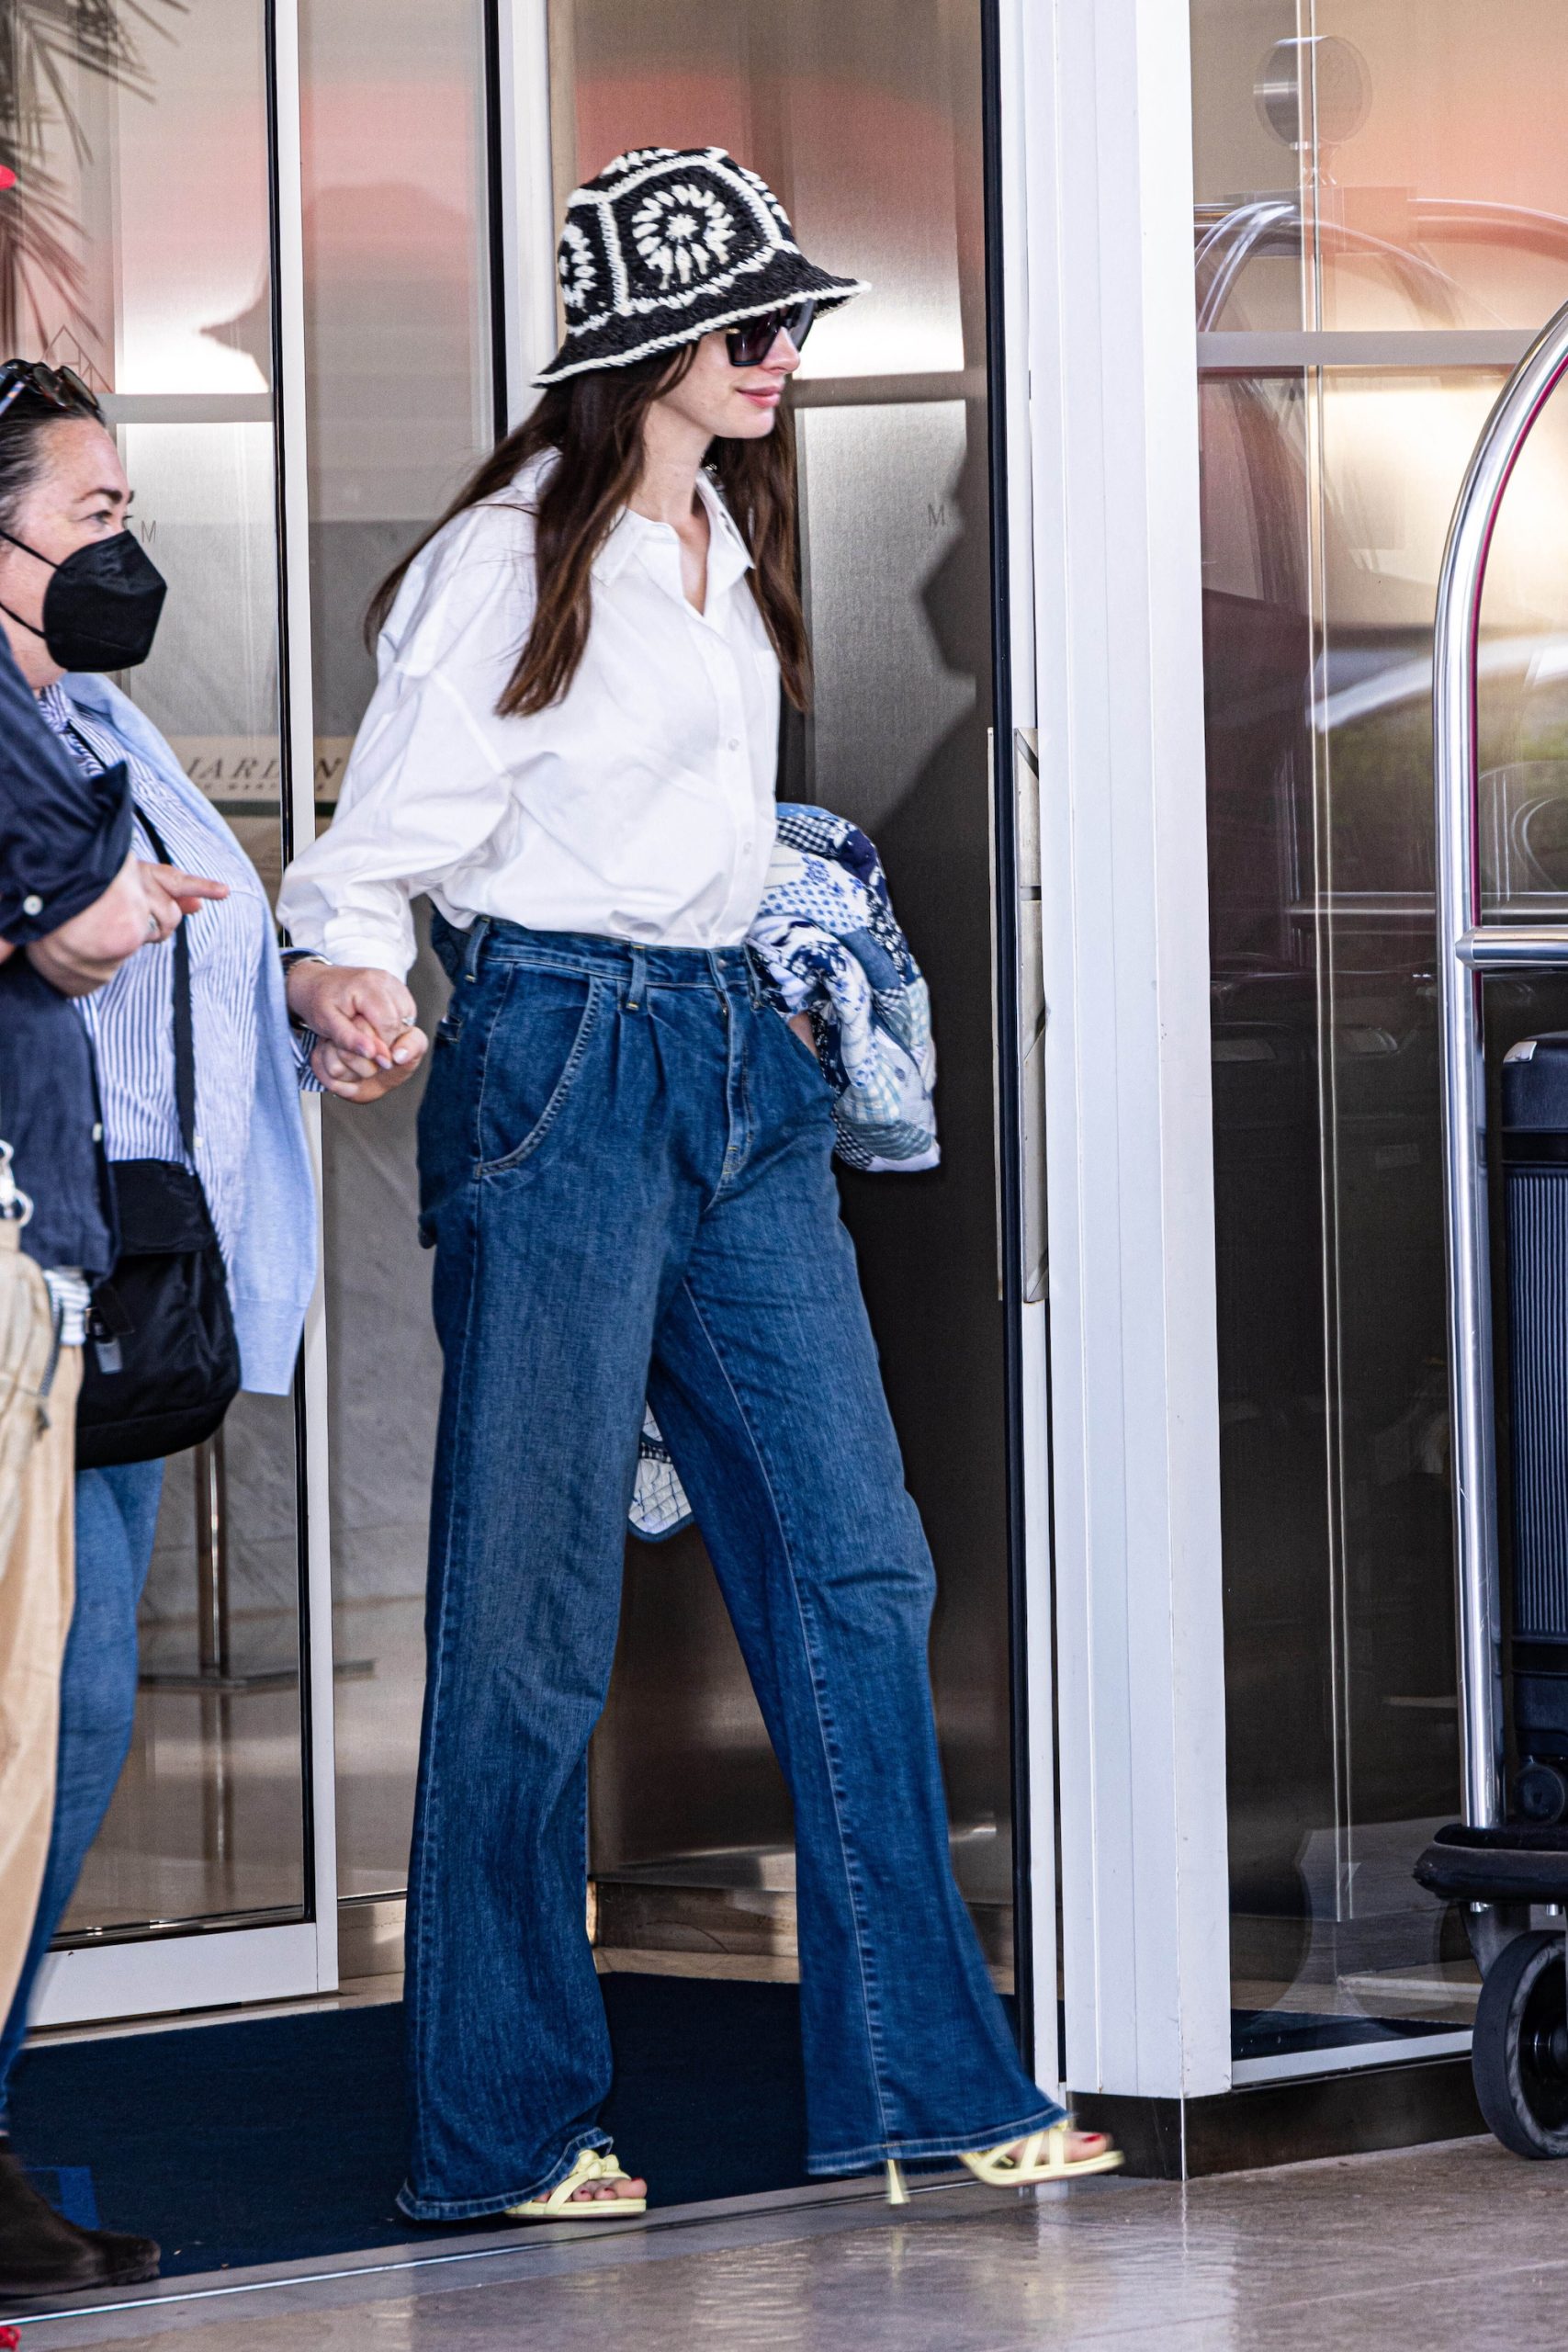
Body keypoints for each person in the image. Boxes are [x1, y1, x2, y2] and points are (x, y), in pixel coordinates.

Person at [279, 146, 1118, 2224]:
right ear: (639, 348)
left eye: (794, 322)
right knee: (530, 1617)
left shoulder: (719, 553)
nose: (782, 355)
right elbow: (372, 848)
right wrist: (344, 974)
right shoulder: (505, 562)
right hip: (558, 1057)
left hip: (732, 1064)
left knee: (859, 1566)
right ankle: (500, 2121)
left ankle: (928, 2074)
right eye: (750, 323)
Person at [0, 359, 426, 2293]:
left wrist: (303, 1003)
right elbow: (67, 926)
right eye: (93, 517)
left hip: (99, 1270)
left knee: (67, 1724)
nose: (129, 552)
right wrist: (65, 921)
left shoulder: (97, 713)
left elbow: (174, 938)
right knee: (44, 1716)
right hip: (22, 1271)